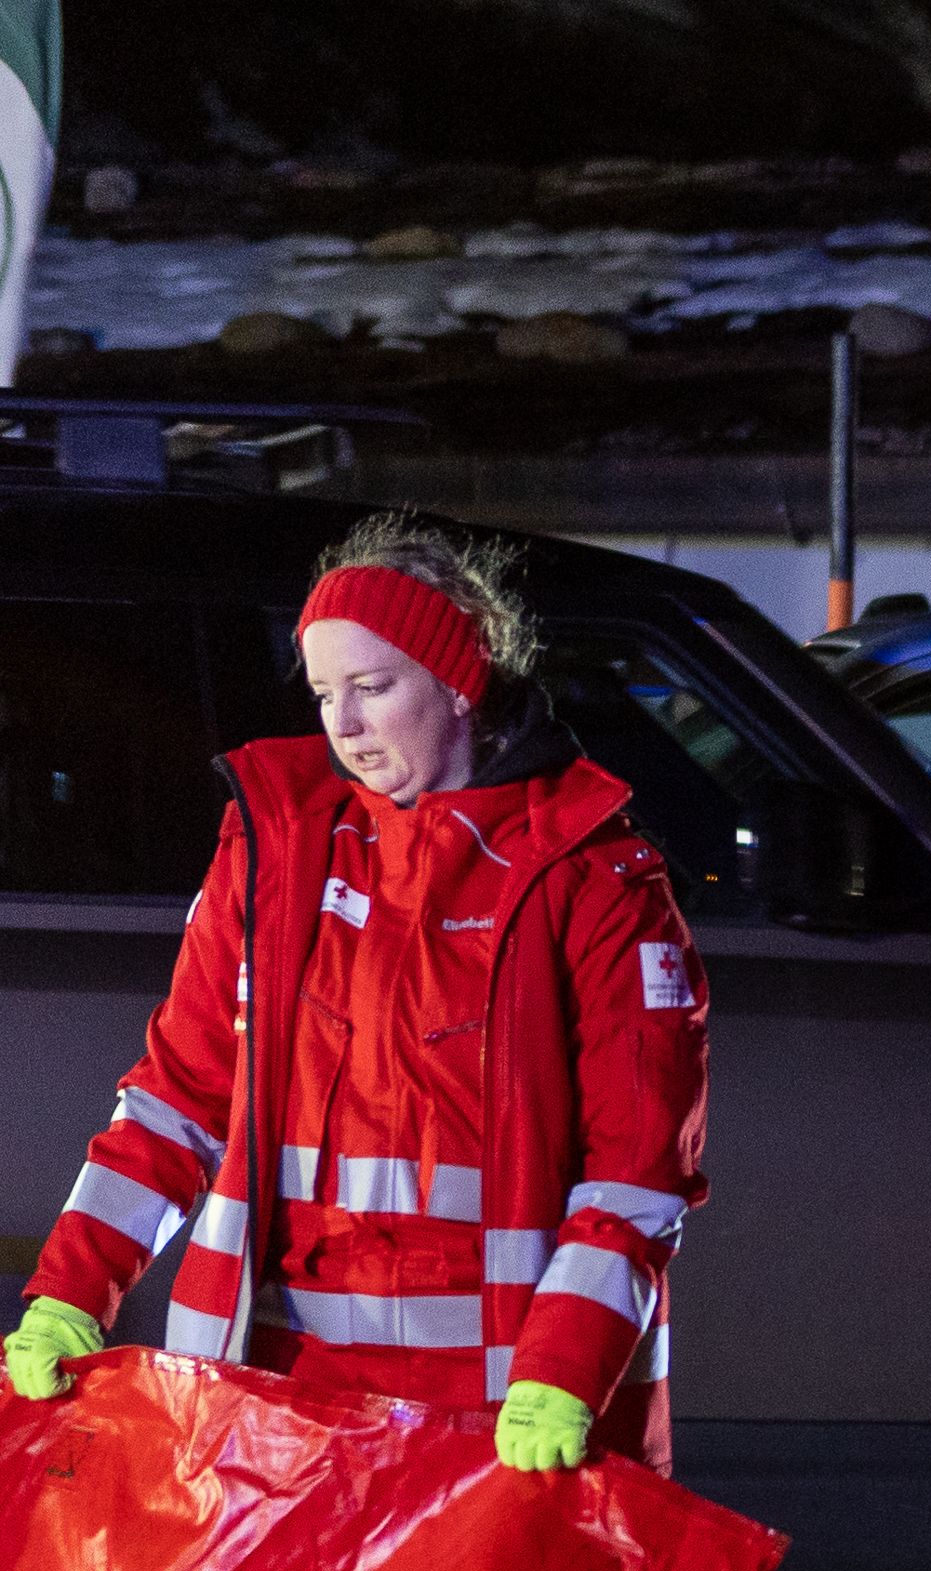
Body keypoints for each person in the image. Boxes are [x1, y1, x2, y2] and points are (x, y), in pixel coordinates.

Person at [6, 516, 704, 1475]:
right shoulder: (276, 848)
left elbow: (636, 1165)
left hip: (498, 1411)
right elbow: (179, 1100)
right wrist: (70, 1293)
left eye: (374, 687)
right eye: (326, 691)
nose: (343, 724)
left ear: (460, 683)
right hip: (278, 1399)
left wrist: (563, 1370)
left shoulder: (587, 875)